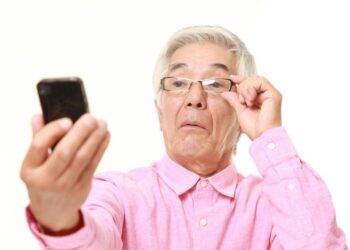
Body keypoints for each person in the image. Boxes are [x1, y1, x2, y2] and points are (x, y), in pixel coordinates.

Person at [20, 25, 347, 249]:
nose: (194, 97)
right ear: (160, 112)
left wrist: (269, 135)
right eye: (177, 83)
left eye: (215, 84)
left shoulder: (275, 202)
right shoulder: (118, 193)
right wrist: (60, 218)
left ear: (242, 107)